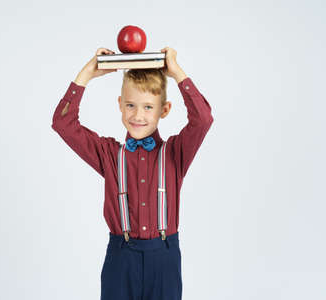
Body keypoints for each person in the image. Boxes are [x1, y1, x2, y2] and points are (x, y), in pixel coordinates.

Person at [51, 46, 214, 300]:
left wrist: (176, 72)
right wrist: (87, 74)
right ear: (120, 105)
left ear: (165, 109)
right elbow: (63, 123)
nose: (138, 115)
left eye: (149, 107)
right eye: (131, 105)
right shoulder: (108, 154)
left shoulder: (175, 153)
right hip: (120, 258)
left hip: (165, 259)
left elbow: (203, 120)